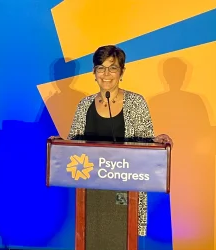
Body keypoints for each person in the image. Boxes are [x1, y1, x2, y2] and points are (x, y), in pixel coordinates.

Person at [67, 45, 172, 236]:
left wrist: (155, 142)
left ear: (121, 72)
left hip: (126, 192)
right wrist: (59, 143)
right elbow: (73, 147)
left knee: (120, 246)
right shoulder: (84, 106)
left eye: (113, 67)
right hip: (92, 193)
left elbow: (145, 146)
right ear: (94, 72)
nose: (106, 73)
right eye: (101, 68)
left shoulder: (136, 103)